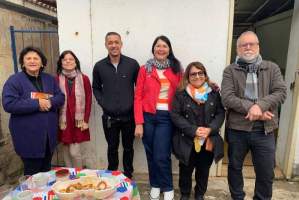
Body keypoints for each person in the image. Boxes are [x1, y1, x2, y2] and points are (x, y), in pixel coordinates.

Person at [221, 31, 287, 200]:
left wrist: (260, 105)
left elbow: (281, 92)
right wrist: (253, 108)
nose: (248, 47)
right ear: (238, 49)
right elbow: (227, 97)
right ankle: (237, 197)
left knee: (266, 172)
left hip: (265, 130)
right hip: (238, 128)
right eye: (244, 44)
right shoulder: (230, 71)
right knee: (234, 167)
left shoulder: (271, 68)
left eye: (252, 44)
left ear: (258, 46)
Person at [2, 46, 65, 175]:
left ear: (42, 63)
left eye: (36, 58)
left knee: (47, 174)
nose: (32, 61)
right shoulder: (14, 81)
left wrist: (50, 102)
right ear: (23, 63)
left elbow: (60, 97)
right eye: (28, 58)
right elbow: (9, 104)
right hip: (28, 138)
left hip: (48, 138)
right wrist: (37, 104)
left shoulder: (49, 79)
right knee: (33, 177)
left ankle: (44, 195)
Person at [134, 35, 182, 200]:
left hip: (166, 118)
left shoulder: (176, 69)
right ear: (153, 49)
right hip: (148, 116)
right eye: (158, 46)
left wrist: (208, 85)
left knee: (162, 155)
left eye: (164, 46)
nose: (161, 49)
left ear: (169, 50)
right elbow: (138, 96)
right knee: (150, 153)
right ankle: (155, 184)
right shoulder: (144, 69)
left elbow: (187, 87)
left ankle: (167, 186)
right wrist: (138, 122)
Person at [171, 61, 225, 200]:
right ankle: (185, 194)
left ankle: (200, 194)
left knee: (203, 170)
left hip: (208, 139)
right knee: (185, 170)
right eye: (193, 74)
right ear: (188, 77)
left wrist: (211, 129)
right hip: (187, 139)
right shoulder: (181, 94)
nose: (197, 76)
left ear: (205, 75)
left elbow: (220, 113)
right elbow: (175, 115)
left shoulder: (213, 92)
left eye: (200, 73)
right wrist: (193, 130)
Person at [92, 32, 140, 179]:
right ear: (106, 45)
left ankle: (128, 175)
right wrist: (103, 102)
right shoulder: (99, 66)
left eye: (116, 42)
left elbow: (140, 88)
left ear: (121, 44)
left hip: (129, 117)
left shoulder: (132, 64)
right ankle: (112, 174)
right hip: (109, 118)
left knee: (128, 148)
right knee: (112, 148)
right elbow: (96, 87)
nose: (113, 45)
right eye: (110, 42)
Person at [56, 50, 92, 168]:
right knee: (66, 151)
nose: (68, 61)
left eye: (71, 59)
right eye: (65, 59)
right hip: (63, 120)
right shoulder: (56, 79)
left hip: (78, 121)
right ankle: (69, 176)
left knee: (75, 152)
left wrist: (86, 120)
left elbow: (88, 100)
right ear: (61, 63)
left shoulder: (84, 79)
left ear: (75, 62)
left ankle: (79, 174)